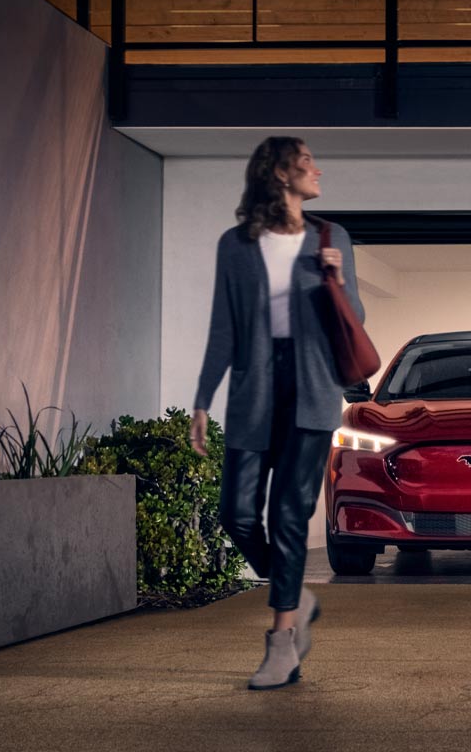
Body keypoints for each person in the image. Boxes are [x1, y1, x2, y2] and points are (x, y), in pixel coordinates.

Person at [191, 136, 364, 690]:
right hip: (254, 388)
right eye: (308, 162)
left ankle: (281, 646)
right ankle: (292, 589)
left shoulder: (332, 238)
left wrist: (334, 278)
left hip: (311, 388)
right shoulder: (236, 245)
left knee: (289, 518)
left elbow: (355, 319)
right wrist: (202, 399)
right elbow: (223, 327)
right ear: (281, 173)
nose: (319, 170)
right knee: (237, 514)